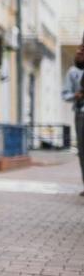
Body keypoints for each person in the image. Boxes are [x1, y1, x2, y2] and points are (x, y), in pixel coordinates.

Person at [62, 38, 84, 196]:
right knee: (82, 151)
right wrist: (76, 95)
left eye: (82, 49)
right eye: (79, 49)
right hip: (81, 114)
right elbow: (65, 94)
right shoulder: (73, 72)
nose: (79, 51)